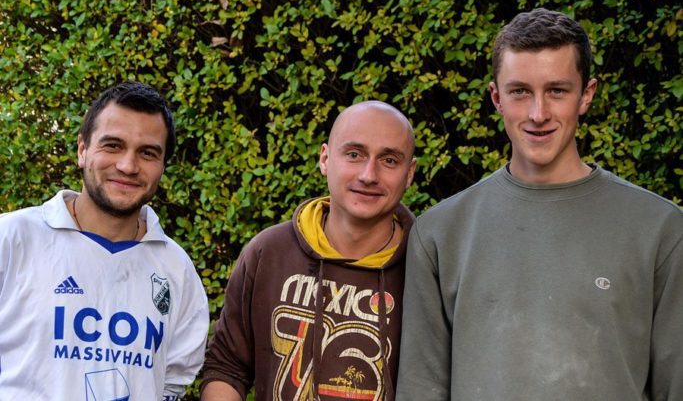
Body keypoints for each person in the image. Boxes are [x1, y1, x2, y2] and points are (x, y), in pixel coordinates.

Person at [396, 8, 683, 400]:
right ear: (496, 97)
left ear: (586, 94)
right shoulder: (440, 233)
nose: (538, 114)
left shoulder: (659, 229)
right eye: (520, 92)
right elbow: (421, 390)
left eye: (557, 91)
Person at [0, 81, 209, 400]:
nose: (127, 166)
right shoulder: (12, 239)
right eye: (112, 145)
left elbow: (172, 383)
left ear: (163, 166)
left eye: (147, 153)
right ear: (82, 150)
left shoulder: (177, 269)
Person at [201, 100, 417, 400]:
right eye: (354, 154)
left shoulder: (425, 268)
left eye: (389, 160)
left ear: (410, 173)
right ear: (325, 159)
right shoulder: (269, 252)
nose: (369, 174)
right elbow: (227, 367)